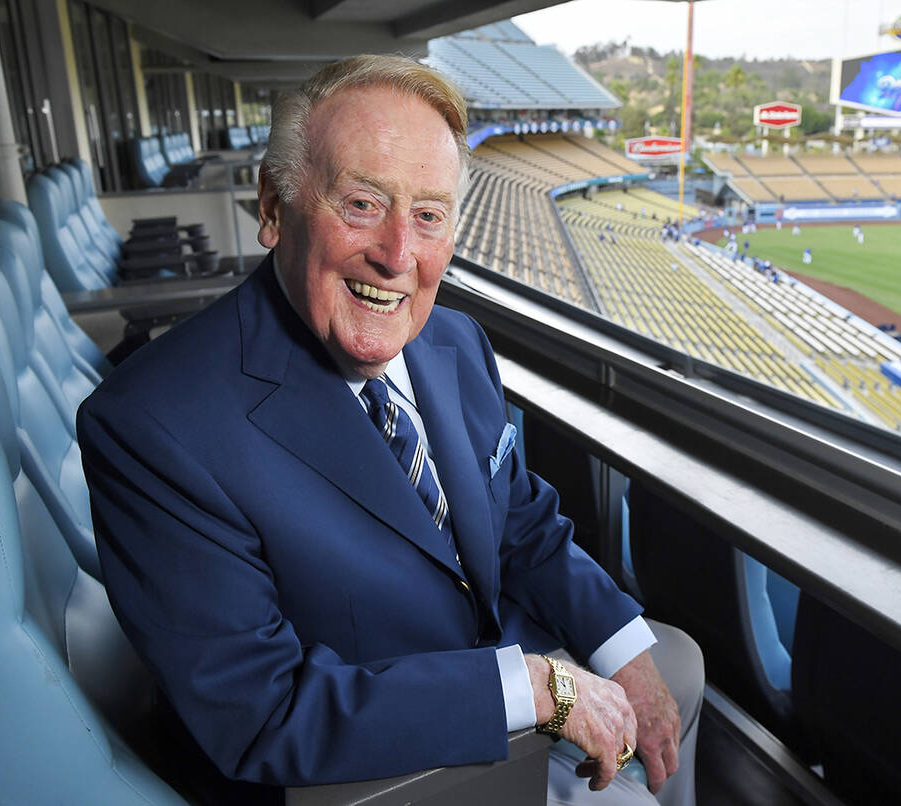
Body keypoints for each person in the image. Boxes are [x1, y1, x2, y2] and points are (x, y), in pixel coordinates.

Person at [78, 56, 700, 806]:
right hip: (380, 778)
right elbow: (262, 712)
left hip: (503, 689)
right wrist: (541, 689)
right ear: (273, 208)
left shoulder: (456, 342)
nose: (398, 255)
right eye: (364, 204)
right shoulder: (152, 424)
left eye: (429, 215)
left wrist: (622, 652)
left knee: (676, 672)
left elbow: (519, 520)